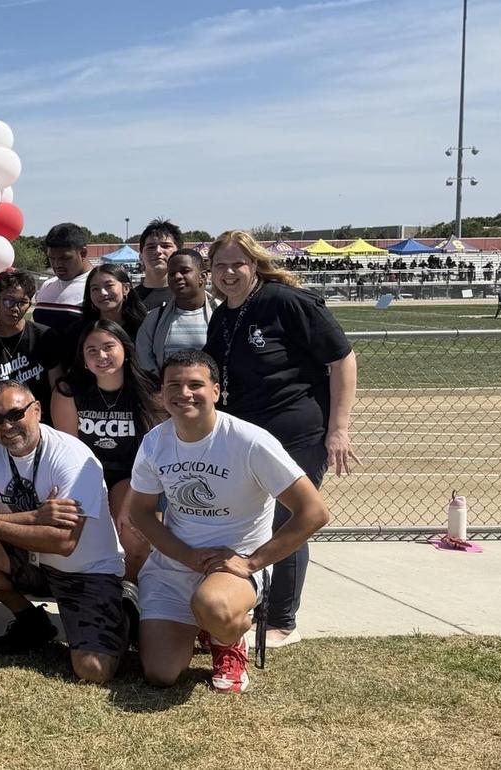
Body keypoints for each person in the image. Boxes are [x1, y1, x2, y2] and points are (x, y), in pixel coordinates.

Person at [129, 350, 330, 693]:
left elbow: (314, 512)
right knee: (160, 674)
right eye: (173, 385)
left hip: (233, 564)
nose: (184, 393)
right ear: (161, 393)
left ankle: (229, 639)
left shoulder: (249, 441)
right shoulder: (155, 442)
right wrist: (187, 556)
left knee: (214, 605)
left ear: (217, 391)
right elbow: (140, 512)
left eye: (196, 384)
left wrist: (252, 561)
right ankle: (203, 624)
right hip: (177, 563)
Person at [204, 230, 357, 649]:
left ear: (254, 264)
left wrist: (338, 429)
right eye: (220, 266)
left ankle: (283, 621)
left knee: (287, 522)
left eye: (237, 263)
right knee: (254, 521)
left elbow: (342, 358)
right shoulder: (223, 314)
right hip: (247, 438)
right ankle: (255, 605)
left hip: (295, 432)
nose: (229, 272)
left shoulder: (285, 302)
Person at [0, 380, 130, 684]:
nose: (6, 426)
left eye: (15, 414)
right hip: (30, 560)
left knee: (93, 670)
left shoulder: (72, 457)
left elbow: (64, 541)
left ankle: (126, 611)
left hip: (85, 571)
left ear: (37, 410)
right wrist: (36, 516)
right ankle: (32, 623)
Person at [51, 320, 161, 582]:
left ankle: (130, 597)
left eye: (108, 347)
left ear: (125, 348)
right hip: (87, 473)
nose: (101, 356)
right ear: (83, 358)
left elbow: (156, 452)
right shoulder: (68, 390)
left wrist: (130, 501)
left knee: (134, 537)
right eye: (92, 350)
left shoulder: (149, 389)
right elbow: (70, 452)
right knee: (74, 535)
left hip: (134, 474)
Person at [0, 271, 61, 408]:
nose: (15, 308)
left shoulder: (44, 336)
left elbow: (57, 389)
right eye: (8, 301)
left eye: (22, 302)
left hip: (40, 422)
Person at [136, 249, 216, 375]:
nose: (178, 277)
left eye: (185, 271)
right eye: (172, 274)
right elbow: (145, 362)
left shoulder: (222, 314)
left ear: (203, 277)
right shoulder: (154, 319)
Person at [33, 223, 94, 336]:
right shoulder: (47, 285)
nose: (57, 264)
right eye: (52, 258)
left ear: (83, 253)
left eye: (65, 258)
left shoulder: (98, 288)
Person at [78, 264, 148, 342]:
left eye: (109, 286)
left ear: (126, 288)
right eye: (95, 289)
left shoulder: (144, 327)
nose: (103, 293)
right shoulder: (81, 330)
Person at [134, 219, 183, 310]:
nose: (158, 251)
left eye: (166, 246)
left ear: (179, 254)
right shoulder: (128, 300)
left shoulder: (189, 297)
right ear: (140, 257)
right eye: (151, 247)